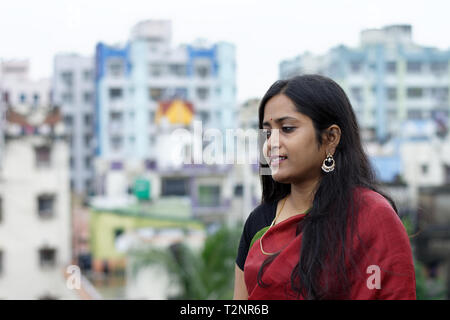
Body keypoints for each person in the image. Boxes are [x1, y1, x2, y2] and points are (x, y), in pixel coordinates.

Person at [233, 75, 416, 300]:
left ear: (330, 138)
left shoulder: (372, 216)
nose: (271, 143)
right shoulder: (259, 221)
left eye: (288, 128)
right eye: (267, 132)